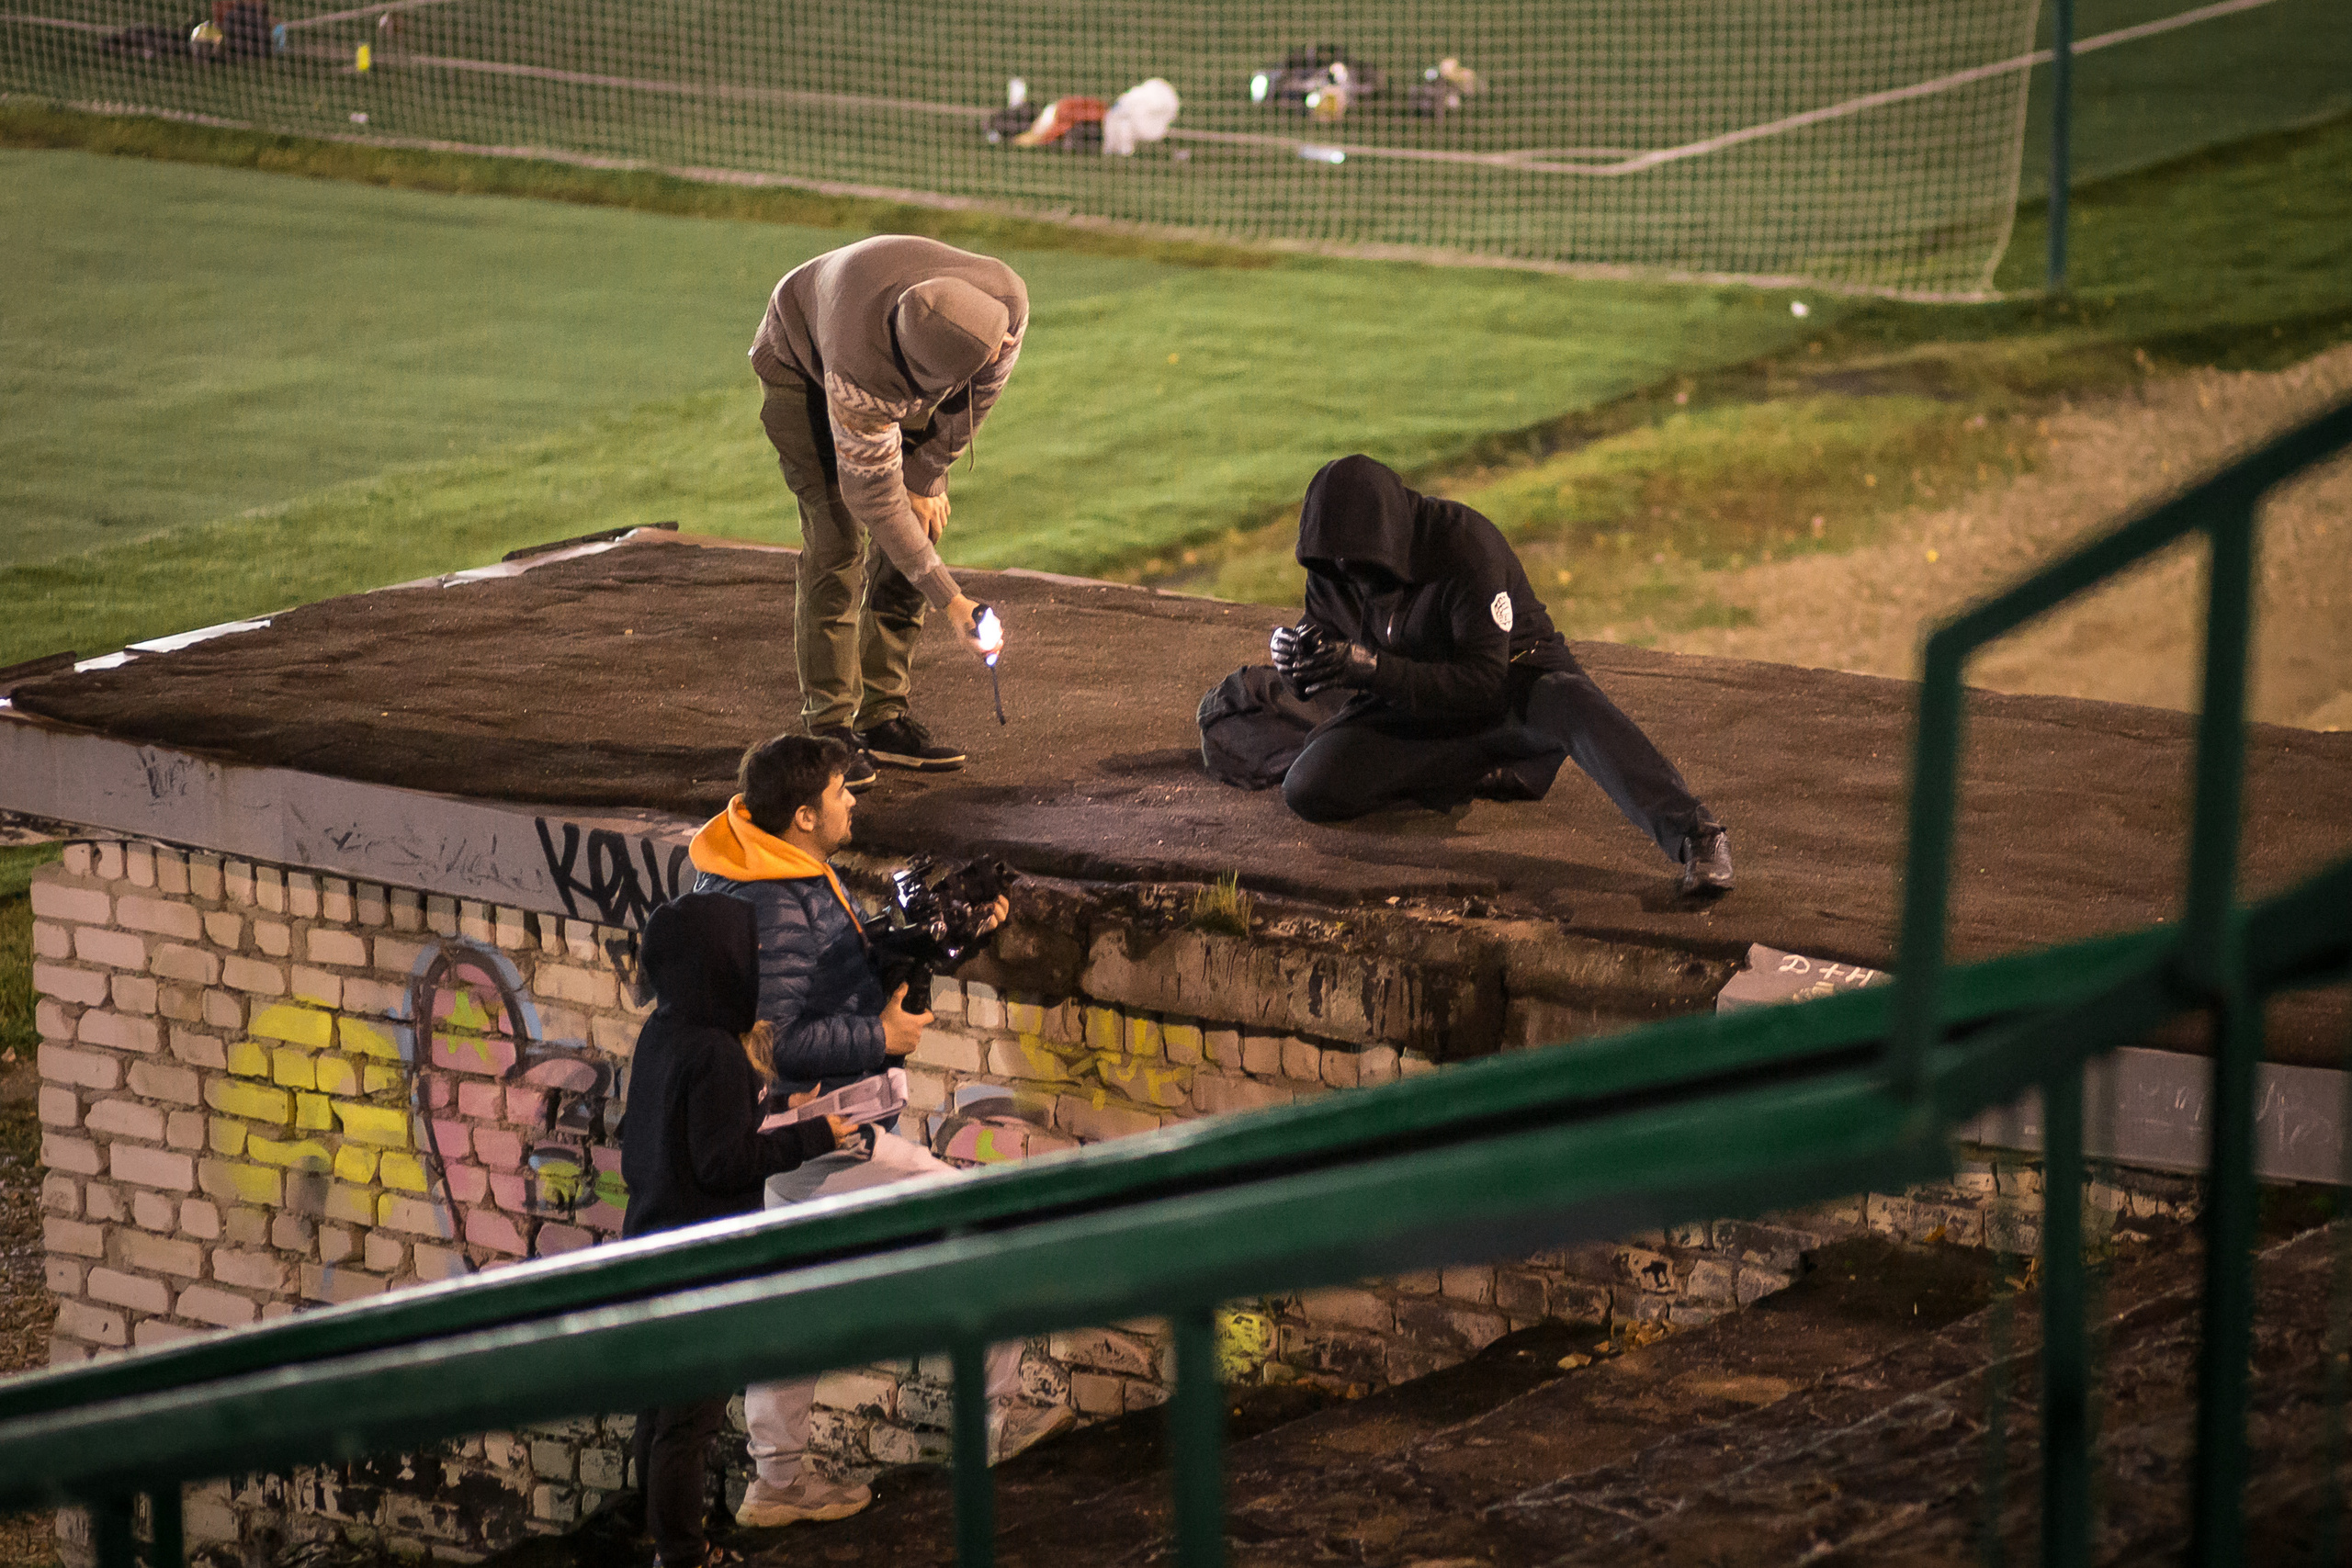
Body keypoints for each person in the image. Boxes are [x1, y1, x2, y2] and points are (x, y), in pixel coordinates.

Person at [685, 734, 1076, 1527]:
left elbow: (820, 967)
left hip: (787, 1135)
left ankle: (777, 1479)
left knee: (795, 1299)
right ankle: (987, 1425)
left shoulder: (759, 864)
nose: (854, 800)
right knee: (977, 1220)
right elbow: (779, 1035)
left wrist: (922, 938)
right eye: (841, 791)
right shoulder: (777, 898)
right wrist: (882, 1039)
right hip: (817, 1130)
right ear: (803, 814)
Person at [1262, 455, 1734, 895]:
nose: (1346, 570)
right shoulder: (1334, 566)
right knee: (1309, 789)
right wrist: (1296, 664)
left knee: (1570, 702)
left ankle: (1696, 833)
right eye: (1334, 559)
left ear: (1386, 535)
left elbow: (1482, 682)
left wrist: (1373, 670)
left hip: (1514, 687)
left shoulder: (1464, 545)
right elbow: (1325, 642)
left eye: (1356, 558)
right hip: (1417, 700)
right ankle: (1479, 768)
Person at [618, 892, 855, 1567]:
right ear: (714, 963)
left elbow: (685, 1133)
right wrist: (811, 1134)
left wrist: (772, 1105)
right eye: (744, 953)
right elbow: (725, 1160)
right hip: (704, 1260)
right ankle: (686, 1555)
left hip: (652, 1241)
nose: (752, 964)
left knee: (661, 1413)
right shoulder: (717, 1051)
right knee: (688, 1423)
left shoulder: (664, 1033)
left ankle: (658, 1535)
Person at [751, 235, 1028, 786]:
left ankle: (884, 718)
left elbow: (973, 404)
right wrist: (952, 601)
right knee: (837, 544)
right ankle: (829, 730)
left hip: (888, 364)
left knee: (918, 523)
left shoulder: (1006, 307)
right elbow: (873, 496)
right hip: (799, 365)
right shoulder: (863, 366)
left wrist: (927, 475)